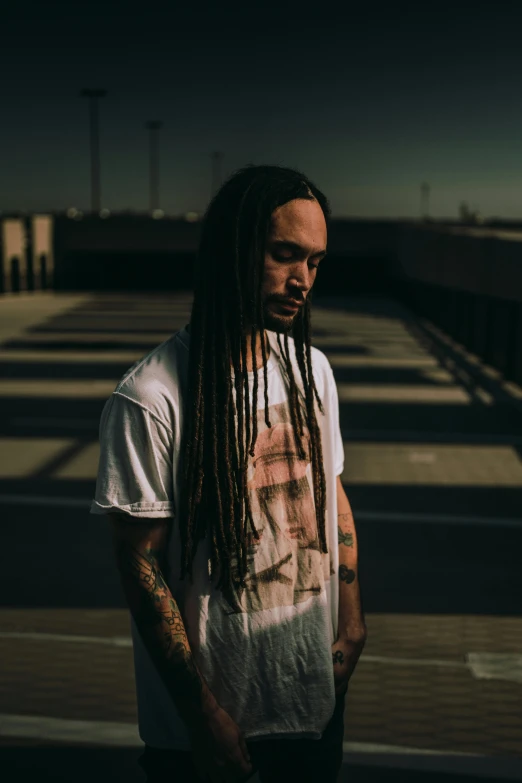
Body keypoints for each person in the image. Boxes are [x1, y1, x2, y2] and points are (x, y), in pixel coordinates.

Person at [91, 164, 367, 782]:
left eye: (316, 263)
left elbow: (333, 494)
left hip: (310, 703)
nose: (303, 282)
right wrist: (200, 714)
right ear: (230, 252)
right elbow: (140, 565)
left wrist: (352, 621)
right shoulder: (151, 397)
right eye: (284, 255)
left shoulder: (311, 370)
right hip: (208, 730)